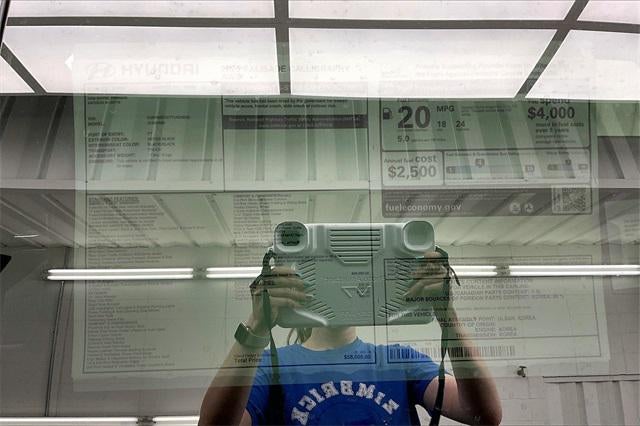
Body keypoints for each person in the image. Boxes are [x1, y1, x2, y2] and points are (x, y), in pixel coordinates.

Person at [199, 251, 502, 425]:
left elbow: (484, 414)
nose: (342, 288)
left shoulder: (398, 360)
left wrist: (447, 315)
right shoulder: (271, 366)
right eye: (330, 278)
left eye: (351, 278)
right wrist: (257, 324)